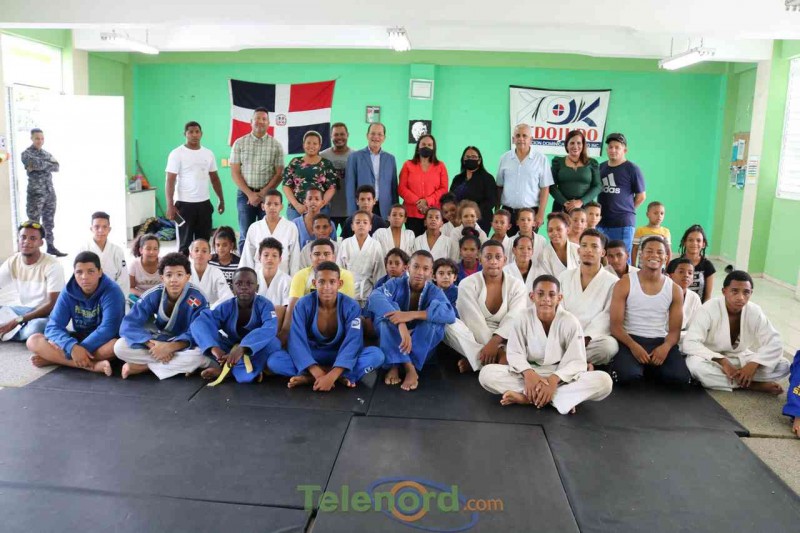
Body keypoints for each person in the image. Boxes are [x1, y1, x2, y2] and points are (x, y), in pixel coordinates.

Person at [479, 275, 613, 413]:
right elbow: (515, 353)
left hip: (560, 375)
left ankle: (528, 398)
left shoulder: (570, 321)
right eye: (540, 294)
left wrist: (554, 380)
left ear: (559, 298)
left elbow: (576, 360)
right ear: (532, 296)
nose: (546, 299)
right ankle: (561, 399)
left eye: (551, 294)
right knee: (486, 374)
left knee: (605, 381)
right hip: (529, 372)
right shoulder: (522, 318)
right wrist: (529, 374)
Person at [269, 262, 385, 390]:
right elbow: (296, 341)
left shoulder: (351, 306)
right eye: (321, 282)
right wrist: (316, 371)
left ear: (339, 284)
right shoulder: (302, 304)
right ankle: (338, 377)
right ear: (315, 283)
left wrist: (333, 374)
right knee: (275, 361)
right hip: (312, 354)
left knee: (376, 355)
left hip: (340, 354)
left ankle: (310, 378)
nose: (326, 287)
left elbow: (353, 342)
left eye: (332, 282)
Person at [684, 270, 789, 394]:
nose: (740, 297)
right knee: (697, 368)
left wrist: (754, 364)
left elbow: (775, 342)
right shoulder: (708, 309)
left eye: (746, 292)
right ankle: (752, 385)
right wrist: (723, 361)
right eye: (735, 291)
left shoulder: (754, 311)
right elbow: (690, 343)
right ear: (724, 291)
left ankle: (738, 378)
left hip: (740, 358)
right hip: (710, 359)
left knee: (784, 365)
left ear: (751, 293)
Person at [114, 253, 212, 380]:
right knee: (119, 347)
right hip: (159, 340)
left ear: (187, 277)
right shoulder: (154, 294)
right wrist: (152, 345)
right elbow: (128, 324)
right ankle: (174, 365)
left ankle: (145, 367)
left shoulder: (198, 298)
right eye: (169, 275)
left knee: (200, 355)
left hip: (184, 345)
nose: (174, 280)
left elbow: (202, 331)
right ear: (162, 277)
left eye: (179, 275)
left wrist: (171, 347)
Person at [609, 236, 690, 387]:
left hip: (659, 341)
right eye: (649, 251)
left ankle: (648, 367)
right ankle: (641, 368)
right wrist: (634, 346)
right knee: (628, 378)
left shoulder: (674, 289)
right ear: (641, 255)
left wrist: (665, 348)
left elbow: (674, 331)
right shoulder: (625, 283)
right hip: (630, 339)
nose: (654, 255)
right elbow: (615, 326)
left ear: (666, 258)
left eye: (659, 252)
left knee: (680, 379)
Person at [368, 251, 456, 391]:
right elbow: (374, 297)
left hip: (419, 342)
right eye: (416, 266)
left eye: (425, 268)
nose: (420, 272)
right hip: (396, 336)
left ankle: (401, 363)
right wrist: (401, 324)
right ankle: (407, 366)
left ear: (431, 272)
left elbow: (449, 315)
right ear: (408, 267)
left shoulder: (434, 291)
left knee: (434, 323)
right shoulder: (395, 283)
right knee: (385, 319)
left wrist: (411, 315)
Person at [27, 251, 125, 375]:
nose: (84, 277)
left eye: (90, 271)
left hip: (102, 341)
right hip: (78, 338)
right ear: (74, 273)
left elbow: (109, 329)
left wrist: (79, 350)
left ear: (100, 272)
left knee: (115, 346)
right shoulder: (68, 291)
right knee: (33, 340)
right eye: (79, 272)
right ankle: (92, 366)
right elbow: (53, 326)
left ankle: (55, 359)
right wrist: (72, 347)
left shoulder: (113, 291)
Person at [191, 268, 288, 383]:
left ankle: (229, 371)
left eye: (249, 283)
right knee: (200, 329)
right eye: (239, 283)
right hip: (231, 348)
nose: (244, 287)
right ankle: (238, 366)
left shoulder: (265, 305)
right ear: (232, 288)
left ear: (257, 287)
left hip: (258, 349)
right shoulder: (226, 306)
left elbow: (270, 328)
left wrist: (243, 348)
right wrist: (213, 348)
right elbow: (202, 322)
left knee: (273, 343)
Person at [444, 240, 527, 373]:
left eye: (498, 257)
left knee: (526, 331)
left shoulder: (517, 285)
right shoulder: (467, 284)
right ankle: (496, 358)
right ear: (480, 259)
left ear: (505, 260)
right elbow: (473, 321)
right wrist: (498, 351)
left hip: (506, 335)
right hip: (474, 334)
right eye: (488, 257)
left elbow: (515, 318)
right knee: (448, 325)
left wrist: (495, 342)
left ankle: (476, 360)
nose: (493, 261)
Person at [558, 229, 619, 367]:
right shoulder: (564, 277)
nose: (588, 250)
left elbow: (607, 315)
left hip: (591, 340)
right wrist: (568, 335)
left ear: (603, 252)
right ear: (578, 251)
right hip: (565, 334)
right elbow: (558, 308)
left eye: (594, 246)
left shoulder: (613, 282)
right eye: (584, 246)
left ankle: (565, 363)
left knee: (609, 347)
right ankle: (580, 364)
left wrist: (586, 337)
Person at [279, 238, 356, 345]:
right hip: (307, 322)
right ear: (310, 257)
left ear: (333, 257)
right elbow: (293, 306)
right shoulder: (301, 275)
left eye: (326, 254)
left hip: (336, 323)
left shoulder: (346, 275)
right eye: (317, 254)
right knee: (279, 310)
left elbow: (348, 307)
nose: (321, 257)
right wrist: (285, 331)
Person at [165, 121, 224, 255]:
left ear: (201, 134)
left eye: (197, 132)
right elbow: (170, 180)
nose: (194, 135)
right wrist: (170, 205)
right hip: (184, 206)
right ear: (185, 134)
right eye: (190, 132)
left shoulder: (208, 153)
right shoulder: (177, 153)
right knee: (184, 245)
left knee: (203, 244)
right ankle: (182, 267)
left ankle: (201, 268)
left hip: (204, 205)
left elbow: (215, 178)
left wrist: (221, 199)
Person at [230, 107, 285, 252]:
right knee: (245, 234)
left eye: (264, 119)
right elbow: (235, 172)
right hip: (245, 195)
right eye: (257, 118)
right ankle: (245, 265)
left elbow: (279, 174)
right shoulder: (239, 143)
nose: (260, 121)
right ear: (251, 122)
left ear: (268, 123)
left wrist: (262, 194)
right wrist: (250, 194)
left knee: (267, 233)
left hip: (267, 197)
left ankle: (264, 264)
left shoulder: (276, 145)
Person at [0, 222, 65, 342]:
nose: (27, 241)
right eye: (23, 237)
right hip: (23, 310)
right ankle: (15, 331)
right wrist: (19, 318)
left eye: (33, 238)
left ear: (41, 243)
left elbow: (52, 305)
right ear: (18, 240)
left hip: (47, 314)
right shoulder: (13, 261)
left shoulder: (52, 265)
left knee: (36, 328)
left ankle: (11, 331)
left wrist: (18, 320)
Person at [496, 123, 554, 235]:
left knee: (527, 245)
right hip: (508, 213)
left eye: (524, 136)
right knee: (507, 244)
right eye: (518, 135)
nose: (521, 139)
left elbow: (545, 188)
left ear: (531, 139)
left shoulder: (541, 159)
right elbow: (499, 186)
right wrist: (498, 210)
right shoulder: (504, 158)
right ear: (513, 139)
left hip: (530, 214)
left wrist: (541, 213)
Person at [597, 133, 646, 256]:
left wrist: (626, 210)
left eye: (617, 147)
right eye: (610, 147)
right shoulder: (601, 167)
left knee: (622, 258)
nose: (613, 150)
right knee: (602, 257)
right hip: (601, 223)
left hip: (623, 224)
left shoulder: (632, 169)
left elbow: (641, 196)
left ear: (625, 150)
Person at [21, 128, 65, 256]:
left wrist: (38, 165)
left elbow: (56, 167)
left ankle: (50, 247)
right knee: (34, 224)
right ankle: (33, 250)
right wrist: (46, 164)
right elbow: (36, 163)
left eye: (42, 138)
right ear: (31, 138)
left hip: (49, 193)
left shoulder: (46, 153)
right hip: (36, 194)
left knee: (49, 222)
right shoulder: (26, 154)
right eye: (37, 138)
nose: (40, 141)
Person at [344, 123, 398, 220]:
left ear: (384, 138)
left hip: (385, 209)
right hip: (362, 208)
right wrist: (352, 213)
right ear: (367, 135)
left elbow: (394, 188)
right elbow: (350, 187)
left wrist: (395, 212)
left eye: (380, 134)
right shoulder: (355, 157)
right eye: (373, 133)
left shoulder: (390, 159)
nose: (376, 137)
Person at [240, 190, 300, 275]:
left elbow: (295, 257)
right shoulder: (254, 227)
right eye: (268, 204)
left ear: (281, 207)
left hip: (283, 276)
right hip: (258, 277)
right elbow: (247, 256)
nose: (272, 207)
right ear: (263, 206)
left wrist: (294, 279)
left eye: (276, 204)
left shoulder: (291, 227)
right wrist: (248, 278)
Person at [398, 134, 448, 236]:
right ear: (418, 147)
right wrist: (418, 202)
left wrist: (427, 201)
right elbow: (402, 188)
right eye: (423, 144)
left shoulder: (440, 166)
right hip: (412, 213)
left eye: (429, 145)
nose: (426, 147)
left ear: (433, 148)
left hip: (433, 214)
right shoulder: (408, 165)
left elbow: (444, 189)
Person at [282, 130, 338, 220]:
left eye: (315, 143)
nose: (311, 146)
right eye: (308, 143)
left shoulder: (326, 164)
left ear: (319, 146)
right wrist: (297, 205)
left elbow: (332, 188)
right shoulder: (295, 162)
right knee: (296, 229)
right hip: (296, 209)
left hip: (320, 209)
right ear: (303, 145)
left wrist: (320, 205)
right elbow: (286, 185)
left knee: (319, 229)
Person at [337, 211, 386, 306]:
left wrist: (377, 293)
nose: (361, 225)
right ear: (352, 226)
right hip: (348, 291)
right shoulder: (345, 244)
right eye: (358, 222)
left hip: (368, 291)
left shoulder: (376, 245)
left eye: (365, 222)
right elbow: (339, 269)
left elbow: (379, 273)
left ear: (370, 227)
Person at [550, 130, 601, 213]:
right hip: (561, 207)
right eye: (572, 143)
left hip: (585, 207)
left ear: (583, 145)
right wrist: (565, 203)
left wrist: (581, 202)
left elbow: (598, 186)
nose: (575, 146)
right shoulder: (558, 162)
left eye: (579, 143)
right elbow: (552, 185)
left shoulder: (592, 163)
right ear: (566, 145)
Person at [79, 211, 129, 296]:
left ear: (109, 229)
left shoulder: (117, 251)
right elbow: (78, 276)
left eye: (104, 227)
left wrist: (118, 297)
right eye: (97, 227)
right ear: (91, 229)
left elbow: (123, 278)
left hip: (113, 294)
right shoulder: (83, 250)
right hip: (89, 295)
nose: (101, 230)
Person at [450, 146, 497, 234]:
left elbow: (491, 201)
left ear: (479, 160)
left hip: (481, 220)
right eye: (467, 157)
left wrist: (472, 214)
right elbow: (451, 198)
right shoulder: (457, 178)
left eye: (474, 157)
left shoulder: (488, 178)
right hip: (459, 220)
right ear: (463, 160)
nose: (470, 159)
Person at [320, 122, 352, 230]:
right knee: (327, 239)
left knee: (349, 239)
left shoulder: (355, 156)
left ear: (347, 135)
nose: (339, 137)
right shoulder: (322, 156)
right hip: (327, 209)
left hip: (349, 209)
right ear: (331, 136)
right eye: (336, 134)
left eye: (342, 134)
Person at [256, 237, 292, 331]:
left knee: (279, 309)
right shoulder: (252, 278)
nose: (270, 258)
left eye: (274, 255)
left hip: (277, 325)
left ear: (280, 259)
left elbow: (288, 309)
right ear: (259, 258)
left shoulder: (287, 280)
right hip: (254, 323)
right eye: (266, 255)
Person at [188, 239, 234, 307]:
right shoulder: (185, 272)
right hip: (189, 309)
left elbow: (227, 296)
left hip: (212, 310)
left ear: (210, 256)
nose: (200, 253)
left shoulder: (216, 272)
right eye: (196, 250)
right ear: (191, 255)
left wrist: (210, 309)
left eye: (204, 251)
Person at [666, 258, 702, 341]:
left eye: (690, 273)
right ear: (670, 276)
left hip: (684, 339)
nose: (686, 275)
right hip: (659, 338)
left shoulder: (694, 298)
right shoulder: (661, 294)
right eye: (681, 272)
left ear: (692, 279)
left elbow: (696, 327)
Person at [678, 224, 715, 302]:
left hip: (699, 307)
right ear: (684, 242)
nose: (694, 243)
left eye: (698, 240)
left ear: (703, 244)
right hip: (678, 307)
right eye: (690, 240)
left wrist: (702, 309)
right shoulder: (674, 264)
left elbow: (708, 297)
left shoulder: (708, 266)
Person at [632, 201, 671, 267]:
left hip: (659, 269)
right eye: (655, 213)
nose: (659, 216)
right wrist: (633, 266)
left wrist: (667, 268)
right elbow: (634, 250)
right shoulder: (640, 231)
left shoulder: (665, 231)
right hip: (642, 267)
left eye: (662, 213)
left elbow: (668, 251)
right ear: (648, 214)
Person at [541, 212, 580, 277]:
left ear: (567, 230)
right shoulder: (544, 254)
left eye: (559, 229)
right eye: (550, 230)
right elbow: (547, 279)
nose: (554, 233)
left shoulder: (577, 249)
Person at [129, 234, 161, 303]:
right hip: (141, 297)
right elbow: (131, 287)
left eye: (155, 249)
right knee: (129, 296)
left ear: (158, 251)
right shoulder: (134, 264)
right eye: (148, 249)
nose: (152, 252)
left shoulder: (163, 263)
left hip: (159, 296)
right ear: (141, 250)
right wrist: (143, 295)